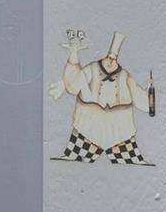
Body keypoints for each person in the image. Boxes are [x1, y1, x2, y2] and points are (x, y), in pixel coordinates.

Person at [49, 30, 154, 164]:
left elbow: (141, 100)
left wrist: (150, 96)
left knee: (129, 160)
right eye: (109, 57)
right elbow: (74, 85)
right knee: (75, 158)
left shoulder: (126, 76)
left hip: (119, 131)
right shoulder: (92, 68)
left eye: (113, 59)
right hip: (88, 127)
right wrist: (73, 55)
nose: (111, 60)